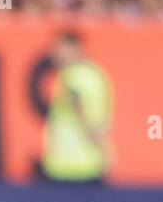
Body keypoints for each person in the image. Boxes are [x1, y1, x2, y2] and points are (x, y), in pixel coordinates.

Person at [39, 30, 113, 183]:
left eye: (59, 49)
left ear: (76, 49)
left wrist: (100, 144)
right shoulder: (95, 74)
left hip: (73, 168)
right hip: (86, 164)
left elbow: (76, 101)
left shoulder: (73, 75)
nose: (54, 54)